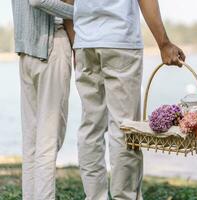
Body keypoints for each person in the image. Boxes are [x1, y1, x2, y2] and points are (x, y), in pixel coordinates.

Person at [73, 0, 186, 199]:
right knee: (124, 128)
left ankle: (93, 196)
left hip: (84, 43)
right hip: (120, 41)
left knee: (90, 127)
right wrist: (163, 43)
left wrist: (78, 39)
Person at [11, 0, 74, 199]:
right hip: (50, 46)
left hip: (26, 50)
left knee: (32, 143)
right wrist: (82, 12)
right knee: (48, 142)